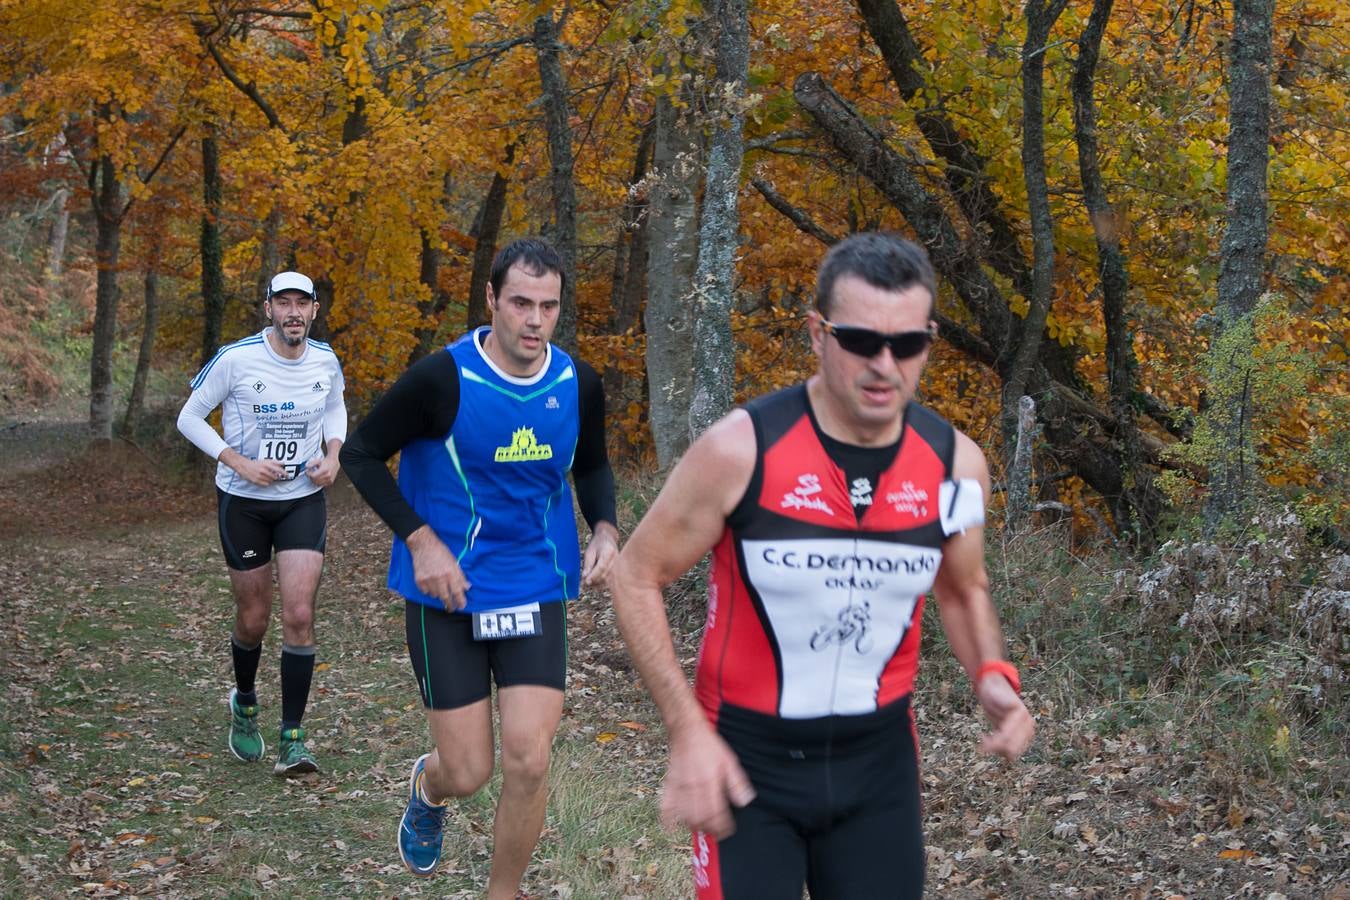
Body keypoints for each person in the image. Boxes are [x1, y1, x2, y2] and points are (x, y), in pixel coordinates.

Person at [607, 233, 1035, 899]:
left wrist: (991, 675)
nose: (884, 364)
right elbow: (636, 573)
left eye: (908, 344)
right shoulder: (741, 451)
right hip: (746, 767)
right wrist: (686, 731)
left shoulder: (957, 465)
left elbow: (963, 585)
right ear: (817, 333)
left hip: (879, 768)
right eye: (861, 340)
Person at [339, 238, 619, 893]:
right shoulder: (442, 379)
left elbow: (594, 463)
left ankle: (503, 892)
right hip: (449, 595)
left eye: (548, 306)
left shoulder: (578, 384)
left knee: (528, 757)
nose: (533, 320)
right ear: (491, 298)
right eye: (520, 302)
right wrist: (419, 540)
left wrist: (604, 526)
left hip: (533, 586)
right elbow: (360, 455)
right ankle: (428, 787)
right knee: (469, 772)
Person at [177, 270, 346, 776]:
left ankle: (292, 737)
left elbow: (335, 408)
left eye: (303, 303)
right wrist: (238, 462)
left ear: (315, 310)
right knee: (254, 619)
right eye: (284, 302)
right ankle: (245, 702)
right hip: (244, 502)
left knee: (299, 614)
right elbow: (189, 417)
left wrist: (334, 453)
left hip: (302, 499)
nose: (293, 312)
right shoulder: (236, 358)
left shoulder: (326, 360)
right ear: (268, 308)